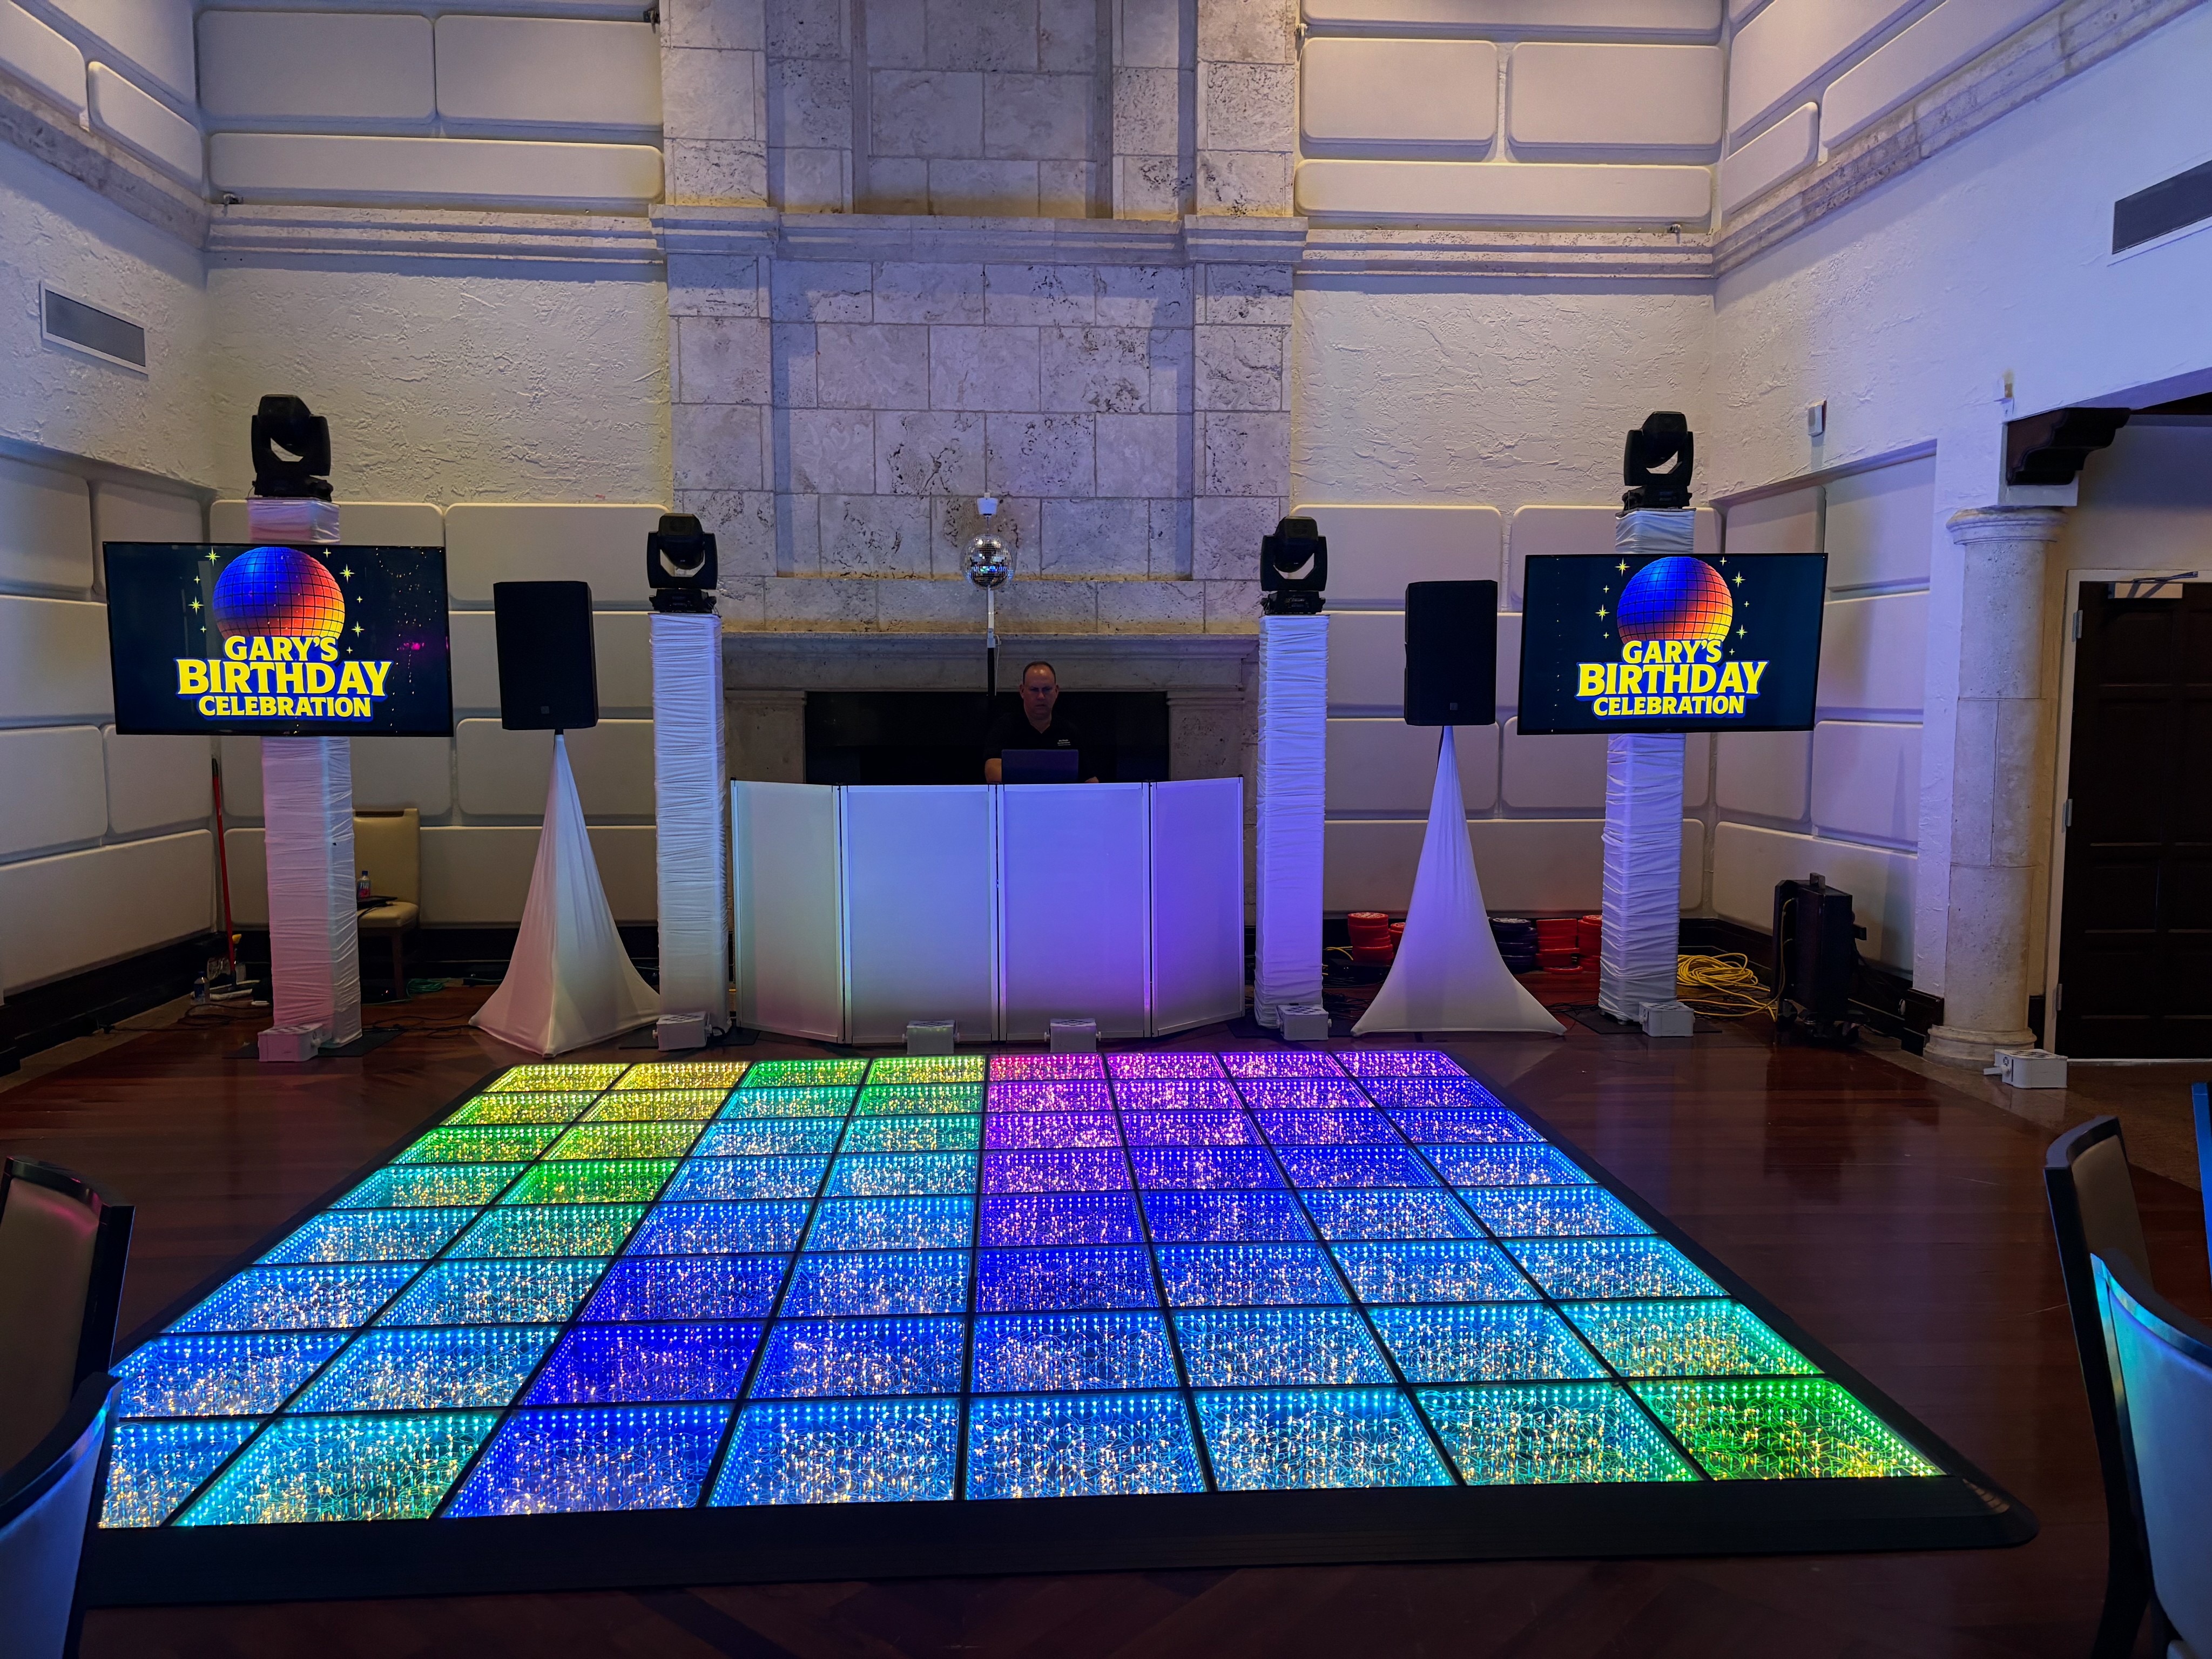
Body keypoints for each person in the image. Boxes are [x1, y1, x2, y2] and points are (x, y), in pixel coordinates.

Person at [983, 660, 1097, 783]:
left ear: (1056, 691)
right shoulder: (1005, 727)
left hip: (1059, 795)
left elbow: (1089, 779)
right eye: (1034, 690)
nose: (1041, 696)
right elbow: (992, 773)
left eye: (1047, 689)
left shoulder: (1069, 731)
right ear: (1022, 691)